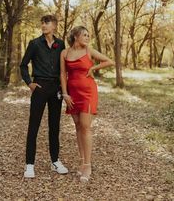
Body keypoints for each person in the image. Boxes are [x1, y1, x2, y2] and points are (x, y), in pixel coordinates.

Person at [60, 26, 114, 182]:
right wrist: (65, 94)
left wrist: (94, 67)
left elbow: (109, 61)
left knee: (85, 125)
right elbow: (63, 74)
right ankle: (82, 162)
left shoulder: (89, 51)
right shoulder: (65, 53)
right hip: (72, 94)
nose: (88, 37)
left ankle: (88, 165)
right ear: (76, 36)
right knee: (77, 126)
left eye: (89, 35)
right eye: (85, 35)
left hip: (88, 92)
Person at [20, 14, 68, 178]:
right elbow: (23, 65)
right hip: (39, 87)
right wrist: (29, 83)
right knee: (33, 126)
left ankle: (55, 161)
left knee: (54, 126)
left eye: (47, 22)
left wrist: (64, 88)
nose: (43, 25)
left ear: (54, 25)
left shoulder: (61, 44)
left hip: (56, 89)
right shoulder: (34, 44)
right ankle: (29, 165)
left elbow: (64, 67)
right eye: (42, 22)